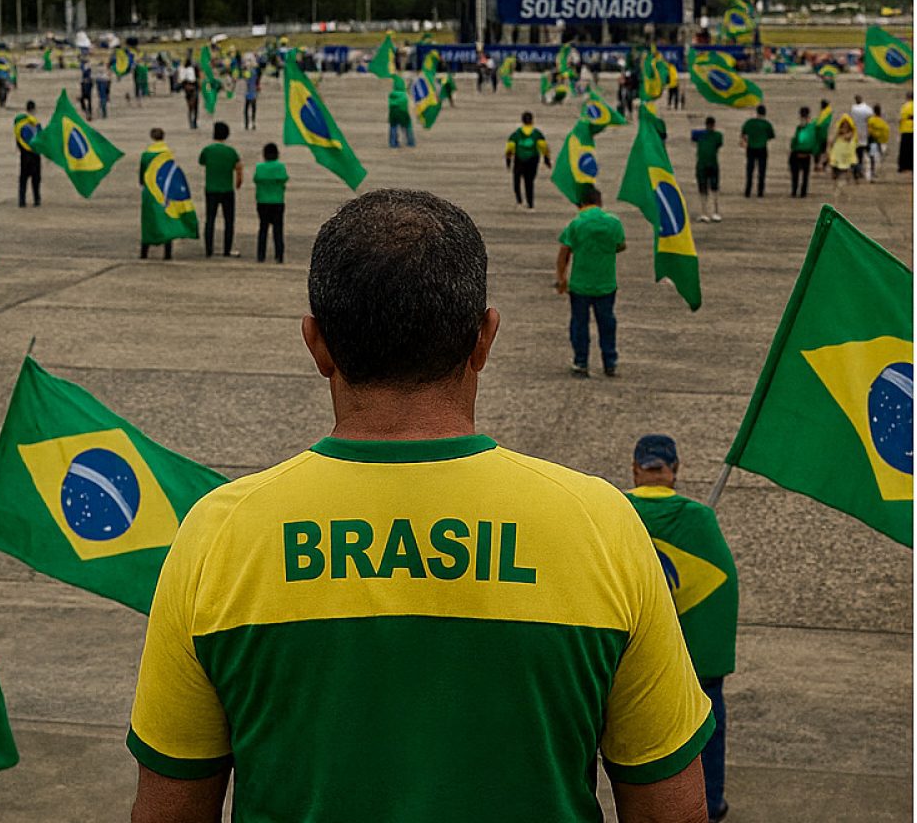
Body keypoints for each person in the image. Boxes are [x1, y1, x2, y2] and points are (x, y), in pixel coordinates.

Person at [126, 189, 712, 823]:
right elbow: (669, 809)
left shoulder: (217, 536)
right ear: (484, 338)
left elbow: (169, 809)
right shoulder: (602, 527)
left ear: (317, 344)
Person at [624, 435, 739, 823]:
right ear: (675, 471)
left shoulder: (615, 508)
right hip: (696, 658)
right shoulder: (699, 517)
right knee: (707, 729)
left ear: (636, 469)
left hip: (628, 656)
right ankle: (711, 803)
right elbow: (722, 584)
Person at [556, 185, 627, 377]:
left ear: (581, 203)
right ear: (599, 201)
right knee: (607, 323)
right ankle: (609, 362)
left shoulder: (576, 223)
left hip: (580, 284)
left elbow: (564, 253)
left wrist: (561, 277)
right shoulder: (613, 223)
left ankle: (581, 362)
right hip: (606, 283)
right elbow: (621, 245)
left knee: (579, 324)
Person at [197, 122, 243, 258]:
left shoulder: (207, 150)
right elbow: (239, 168)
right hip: (227, 189)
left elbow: (202, 162)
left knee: (210, 219)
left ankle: (208, 250)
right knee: (229, 221)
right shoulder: (231, 152)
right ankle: (227, 249)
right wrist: (238, 183)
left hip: (211, 189)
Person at [137, 129, 181, 260]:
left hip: (149, 191)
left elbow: (141, 175)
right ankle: (167, 252)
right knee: (166, 220)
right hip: (164, 191)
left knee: (148, 221)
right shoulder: (167, 154)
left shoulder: (146, 155)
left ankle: (144, 251)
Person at [505, 113, 551, 210]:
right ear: (532, 120)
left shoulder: (516, 134)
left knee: (516, 181)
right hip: (532, 160)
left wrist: (508, 160)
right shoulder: (537, 134)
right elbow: (544, 147)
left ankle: (519, 201)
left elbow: (510, 147)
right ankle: (530, 204)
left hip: (519, 159)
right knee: (529, 182)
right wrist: (547, 159)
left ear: (522, 120)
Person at [252, 143, 287, 264]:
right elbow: (284, 179)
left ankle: (261, 255)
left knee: (263, 229)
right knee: (278, 230)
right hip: (278, 201)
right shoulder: (281, 167)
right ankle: (279, 255)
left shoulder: (259, 167)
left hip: (262, 202)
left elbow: (256, 179)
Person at [690, 116, 724, 223]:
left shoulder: (700, 135)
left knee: (703, 189)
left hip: (702, 165)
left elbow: (693, 136)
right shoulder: (718, 136)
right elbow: (719, 144)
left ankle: (704, 212)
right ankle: (715, 212)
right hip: (712, 164)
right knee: (714, 189)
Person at [740, 105, 775, 198]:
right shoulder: (767, 124)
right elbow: (771, 136)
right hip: (762, 148)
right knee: (761, 171)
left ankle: (748, 190)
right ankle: (760, 191)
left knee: (750, 170)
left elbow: (743, 133)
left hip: (751, 148)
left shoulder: (749, 122)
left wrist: (747, 141)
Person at [13, 99, 42, 208]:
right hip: (35, 154)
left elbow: (18, 139)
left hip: (24, 155)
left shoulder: (19, 124)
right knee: (36, 179)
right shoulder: (36, 124)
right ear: (34, 109)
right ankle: (37, 199)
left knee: (23, 179)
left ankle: (22, 200)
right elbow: (41, 138)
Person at [826, 114, 859, 200]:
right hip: (836, 158)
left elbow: (850, 139)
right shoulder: (837, 134)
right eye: (843, 125)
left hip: (847, 159)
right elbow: (831, 142)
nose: (845, 127)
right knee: (835, 176)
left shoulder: (851, 134)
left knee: (846, 176)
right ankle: (837, 190)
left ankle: (843, 191)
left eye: (846, 125)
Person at [787, 107, 816, 198]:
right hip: (807, 154)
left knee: (795, 174)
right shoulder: (812, 127)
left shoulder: (800, 127)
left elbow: (796, 141)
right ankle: (803, 192)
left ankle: (794, 191)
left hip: (797, 153)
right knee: (805, 175)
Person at [848, 95, 874, 181]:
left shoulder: (853, 109)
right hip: (865, 133)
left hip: (856, 134)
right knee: (866, 154)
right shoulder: (868, 109)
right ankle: (864, 171)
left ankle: (857, 170)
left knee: (857, 154)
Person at [387, 77, 415, 149]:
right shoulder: (404, 94)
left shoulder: (391, 94)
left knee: (393, 127)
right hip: (403, 112)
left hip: (393, 113)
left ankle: (393, 143)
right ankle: (410, 142)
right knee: (407, 126)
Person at [866, 105, 890, 183]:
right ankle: (873, 175)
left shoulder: (871, 120)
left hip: (873, 141)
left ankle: (871, 176)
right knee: (876, 160)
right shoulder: (882, 122)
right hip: (878, 142)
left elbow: (869, 131)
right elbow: (885, 132)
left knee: (872, 159)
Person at [897, 91, 914, 173]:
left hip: (906, 129)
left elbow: (902, 117)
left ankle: (903, 166)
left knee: (904, 149)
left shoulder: (905, 106)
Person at [180, 61, 200, 131]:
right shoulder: (192, 69)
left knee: (190, 108)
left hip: (188, 89)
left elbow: (181, 81)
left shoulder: (183, 70)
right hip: (193, 88)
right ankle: (193, 122)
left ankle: (192, 122)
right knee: (194, 107)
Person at [241, 66, 259, 130]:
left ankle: (247, 124)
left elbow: (246, 80)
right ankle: (253, 123)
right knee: (253, 109)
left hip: (248, 94)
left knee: (246, 110)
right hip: (253, 93)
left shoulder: (248, 73)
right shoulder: (255, 72)